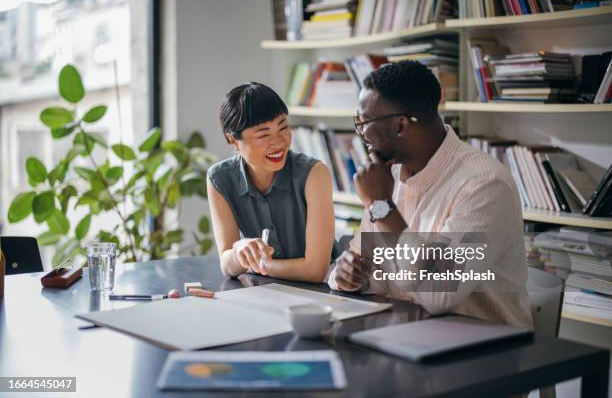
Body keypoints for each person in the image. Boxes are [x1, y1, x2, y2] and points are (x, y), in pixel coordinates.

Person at [327, 61, 533, 329]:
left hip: (482, 348)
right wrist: (350, 276)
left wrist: (382, 207)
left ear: (400, 126)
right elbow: (377, 270)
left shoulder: (484, 184)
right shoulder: (388, 177)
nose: (361, 134)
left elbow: (439, 292)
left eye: (364, 122)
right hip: (407, 333)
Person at [207, 82, 339, 282]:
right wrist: (238, 251)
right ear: (233, 140)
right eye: (263, 135)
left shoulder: (315, 174)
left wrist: (256, 265)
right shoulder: (219, 178)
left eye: (283, 127)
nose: (278, 142)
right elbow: (226, 264)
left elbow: (316, 270)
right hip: (265, 291)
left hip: (324, 290)